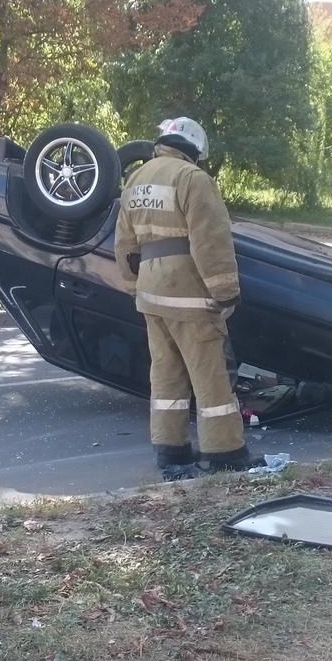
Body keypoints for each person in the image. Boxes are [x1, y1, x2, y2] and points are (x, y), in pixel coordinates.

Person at [114, 116, 261, 476]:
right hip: (190, 296)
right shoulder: (192, 179)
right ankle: (225, 452)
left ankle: (171, 451)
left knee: (166, 375)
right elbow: (211, 242)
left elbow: (124, 244)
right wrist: (225, 293)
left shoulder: (136, 179)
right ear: (195, 150)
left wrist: (135, 288)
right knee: (209, 375)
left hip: (151, 294)